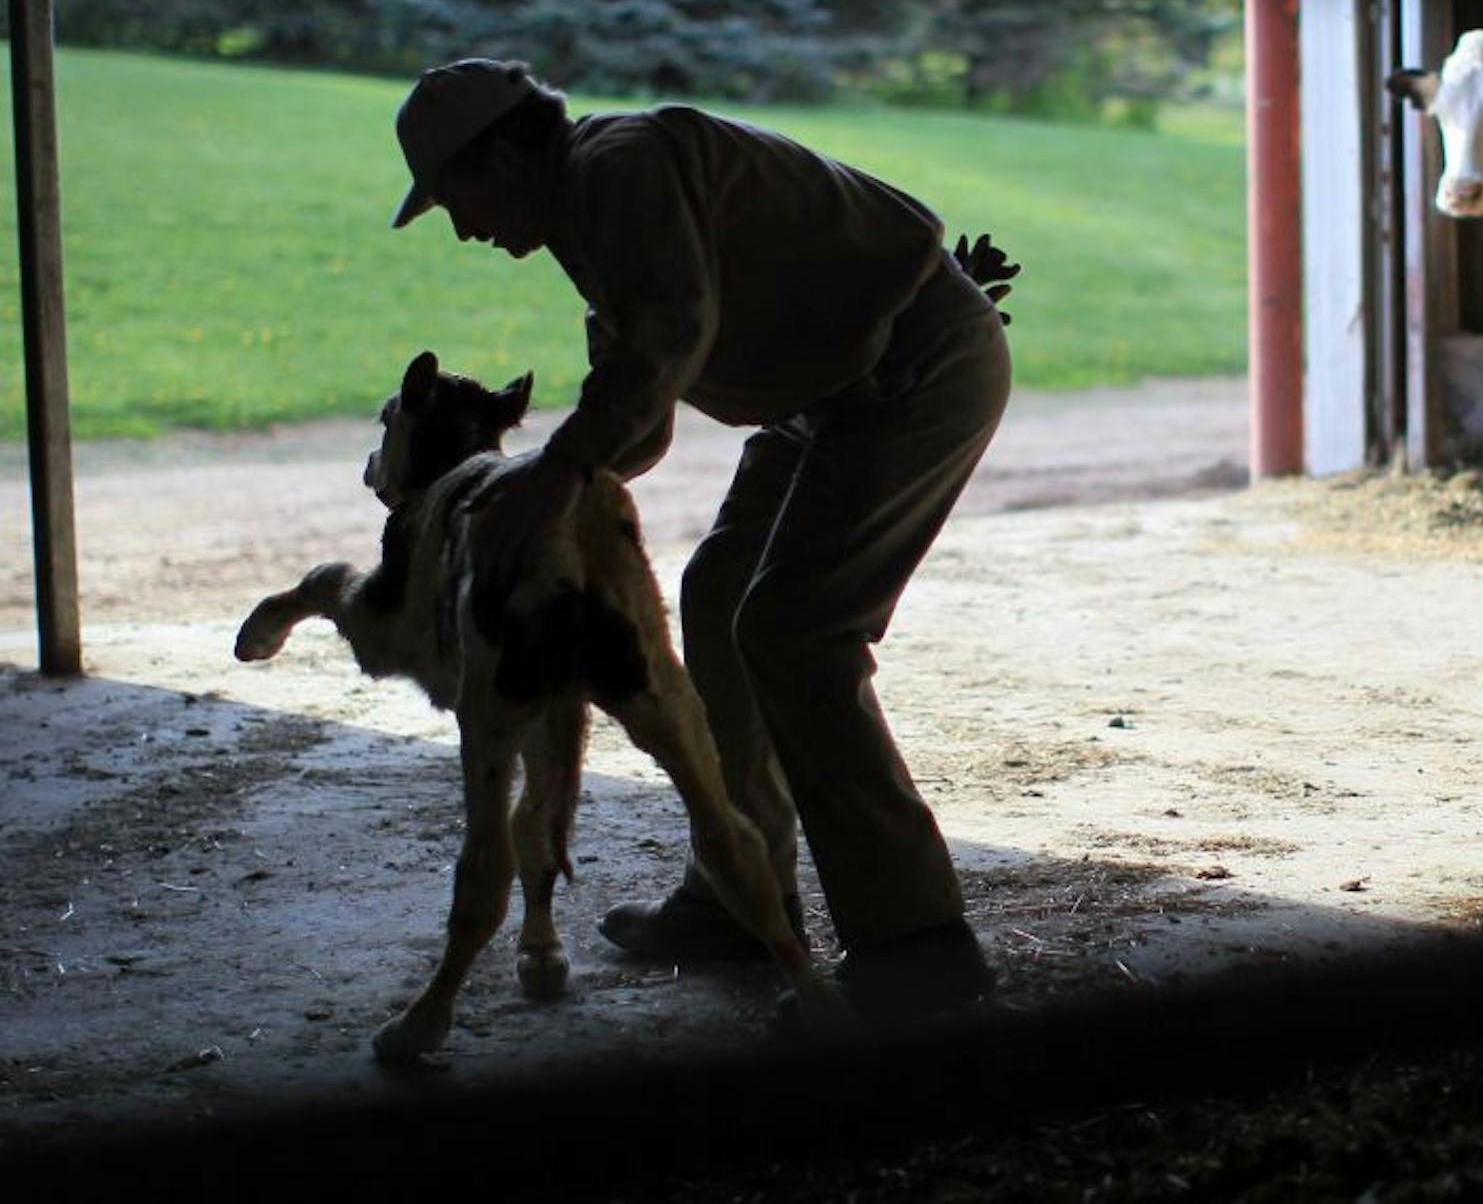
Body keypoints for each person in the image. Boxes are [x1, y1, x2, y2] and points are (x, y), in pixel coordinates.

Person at [387, 57, 1018, 1023]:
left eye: (458, 197)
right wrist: (551, 486)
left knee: (797, 632)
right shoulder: (581, 213)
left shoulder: (619, 166)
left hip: (914, 370)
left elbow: (669, 338)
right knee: (720, 595)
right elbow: (641, 410)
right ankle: (737, 895)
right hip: (829, 395)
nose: (466, 227)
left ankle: (917, 947)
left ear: (507, 155)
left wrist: (558, 471)